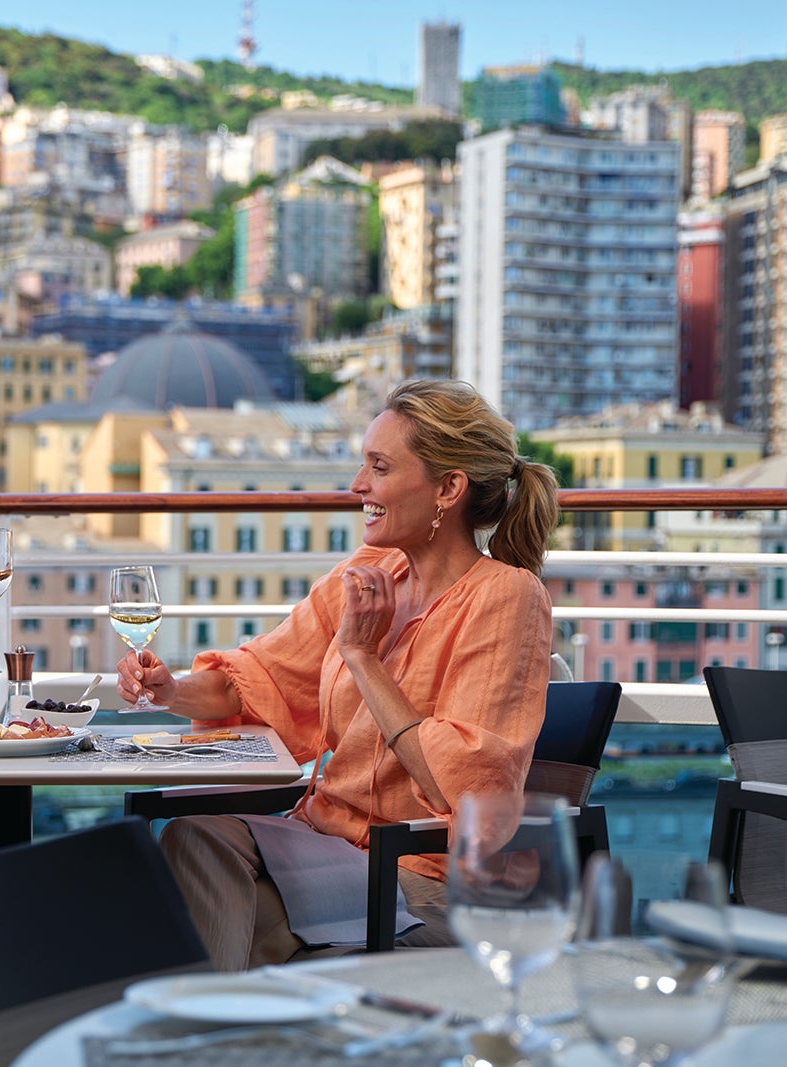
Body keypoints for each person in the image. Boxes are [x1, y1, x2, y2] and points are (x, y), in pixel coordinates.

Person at [117, 379, 559, 972]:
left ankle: (201, 1034)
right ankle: (208, 1028)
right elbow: (263, 677)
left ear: (448, 489)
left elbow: (467, 780)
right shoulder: (370, 572)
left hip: (417, 874)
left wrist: (363, 657)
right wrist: (169, 689)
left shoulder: (507, 597)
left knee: (217, 925)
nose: (358, 486)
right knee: (191, 838)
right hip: (324, 844)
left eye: (379, 467)